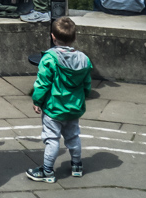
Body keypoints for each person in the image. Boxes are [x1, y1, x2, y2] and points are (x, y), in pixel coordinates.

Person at [26, 16, 92, 183]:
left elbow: (42, 84)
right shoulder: (84, 59)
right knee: (73, 136)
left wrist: (37, 101)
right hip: (74, 107)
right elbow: (87, 85)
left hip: (54, 108)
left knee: (52, 138)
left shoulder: (49, 58)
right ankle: (77, 166)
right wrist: (83, 96)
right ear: (74, 37)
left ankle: (47, 171)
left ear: (53, 37)